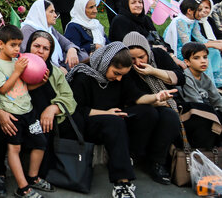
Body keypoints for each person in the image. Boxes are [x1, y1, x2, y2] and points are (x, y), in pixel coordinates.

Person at [66, 42, 177, 198]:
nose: (118, 79)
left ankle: (131, 156)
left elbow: (136, 97)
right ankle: (122, 183)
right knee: (114, 122)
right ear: (105, 64)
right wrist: (106, 113)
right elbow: (75, 110)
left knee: (148, 112)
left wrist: (156, 97)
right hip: (89, 120)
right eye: (116, 73)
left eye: (122, 75)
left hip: (114, 117)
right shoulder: (82, 76)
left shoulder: (121, 78)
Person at [0, 26, 54, 198]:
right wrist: (17, 71)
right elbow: (3, 89)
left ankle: (33, 177)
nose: (17, 49)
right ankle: (23, 187)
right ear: (1, 44)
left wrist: (40, 82)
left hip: (28, 111)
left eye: (19, 45)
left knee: (40, 143)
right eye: (13, 45)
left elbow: (23, 86)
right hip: (12, 114)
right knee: (14, 148)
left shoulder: (16, 60)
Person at [122, 32, 182, 184]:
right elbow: (131, 95)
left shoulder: (159, 55)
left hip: (166, 101)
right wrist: (155, 99)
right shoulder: (125, 66)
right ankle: (136, 155)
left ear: (147, 52)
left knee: (169, 116)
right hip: (140, 104)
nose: (137, 62)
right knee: (150, 113)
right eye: (132, 58)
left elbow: (180, 77)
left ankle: (157, 162)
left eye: (141, 57)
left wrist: (153, 71)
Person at [164, 0, 222, 86]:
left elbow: (201, 39)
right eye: (199, 10)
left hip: (190, 48)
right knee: (204, 56)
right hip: (181, 51)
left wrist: (217, 43)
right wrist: (214, 45)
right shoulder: (180, 21)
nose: (202, 12)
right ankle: (207, 85)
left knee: (214, 52)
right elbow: (187, 44)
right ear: (189, 11)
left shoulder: (193, 21)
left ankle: (217, 82)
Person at [177, 42, 222, 148]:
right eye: (196, 58)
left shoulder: (206, 78)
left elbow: (217, 100)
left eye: (205, 57)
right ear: (187, 62)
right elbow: (196, 102)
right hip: (192, 115)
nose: (203, 61)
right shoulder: (186, 77)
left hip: (207, 111)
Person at [21, 0, 85, 71]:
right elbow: (29, 54)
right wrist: (57, 68)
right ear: (41, 13)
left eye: (54, 12)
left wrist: (72, 50)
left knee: (83, 57)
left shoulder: (49, 29)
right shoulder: (28, 29)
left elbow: (67, 43)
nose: (55, 15)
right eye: (51, 12)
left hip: (60, 62)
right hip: (42, 67)